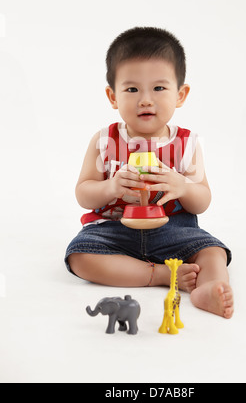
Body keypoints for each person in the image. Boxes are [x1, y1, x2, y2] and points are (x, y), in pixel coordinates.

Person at [65, 27, 234, 319]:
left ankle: (208, 289)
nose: (145, 99)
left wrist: (182, 186)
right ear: (112, 96)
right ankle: (160, 275)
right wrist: (111, 187)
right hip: (115, 228)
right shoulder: (104, 140)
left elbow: (203, 200)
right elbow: (83, 193)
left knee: (212, 252)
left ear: (180, 94)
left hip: (174, 230)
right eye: (132, 89)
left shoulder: (186, 144)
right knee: (80, 256)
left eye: (159, 88)